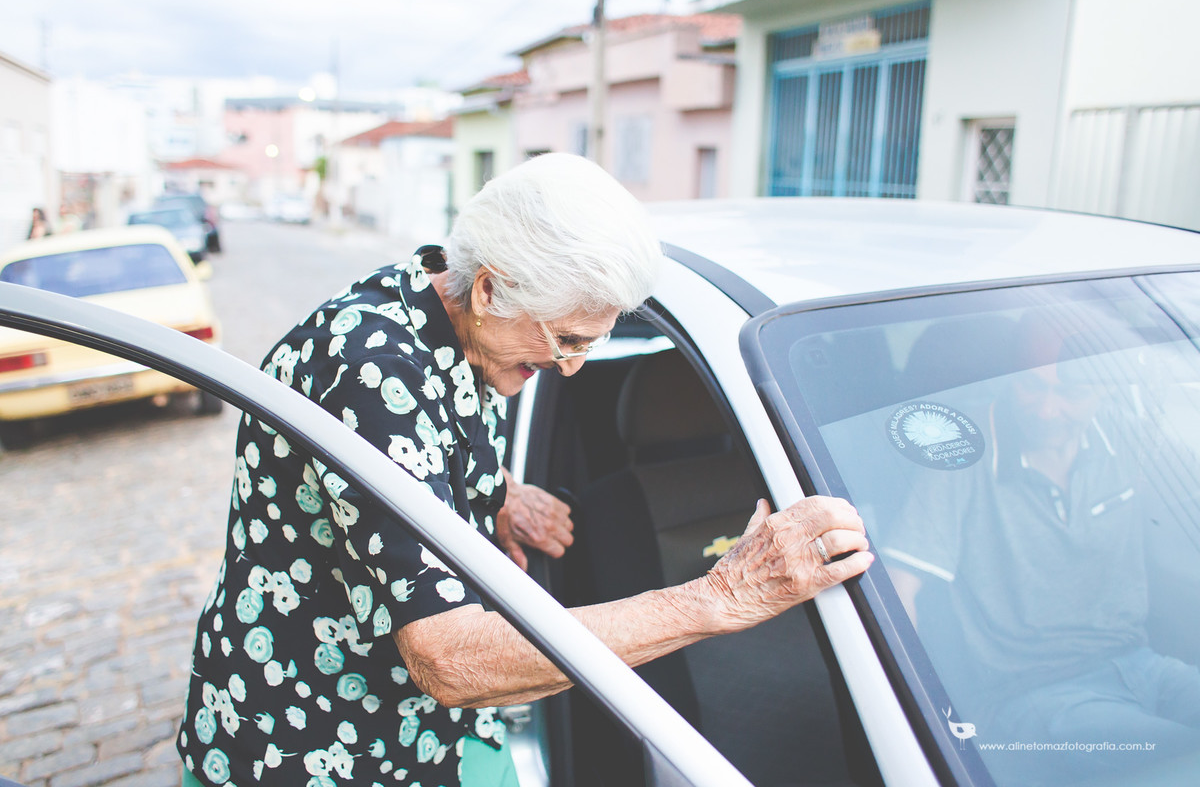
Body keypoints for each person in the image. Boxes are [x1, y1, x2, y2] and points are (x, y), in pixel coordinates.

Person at [176, 153, 873, 787]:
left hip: (438, 734)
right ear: (487, 290)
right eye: (566, 340)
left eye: (589, 345)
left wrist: (493, 492)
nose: (569, 368)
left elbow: (401, 453)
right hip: (316, 739)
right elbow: (448, 659)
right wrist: (718, 598)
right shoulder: (369, 364)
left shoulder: (451, 317)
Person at [883, 308, 1200, 783]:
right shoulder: (963, 450)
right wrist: (914, 719)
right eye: (1031, 385)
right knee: (1182, 758)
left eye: (1070, 392)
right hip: (1030, 697)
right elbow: (899, 588)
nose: (1048, 410)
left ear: (1104, 388)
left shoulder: (1125, 433)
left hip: (1141, 664)